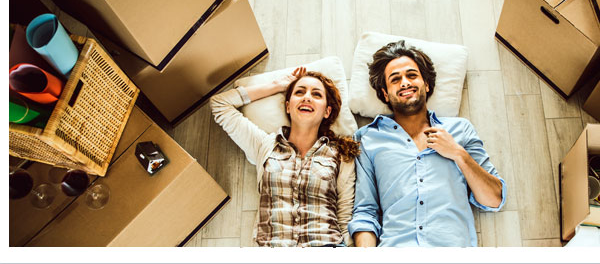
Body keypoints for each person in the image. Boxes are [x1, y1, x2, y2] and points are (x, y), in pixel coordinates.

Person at [348, 40, 507, 247]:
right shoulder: (368, 139)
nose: (405, 82)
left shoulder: (460, 129)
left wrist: (458, 154)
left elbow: (494, 199)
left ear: (427, 84)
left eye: (412, 75)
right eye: (395, 79)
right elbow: (365, 211)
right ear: (385, 94)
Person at [210, 67, 359, 247]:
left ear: (327, 112)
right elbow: (219, 104)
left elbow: (344, 218)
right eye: (299, 92)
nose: (307, 97)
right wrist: (277, 85)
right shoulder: (265, 146)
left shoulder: (342, 155)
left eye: (317, 94)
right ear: (288, 106)